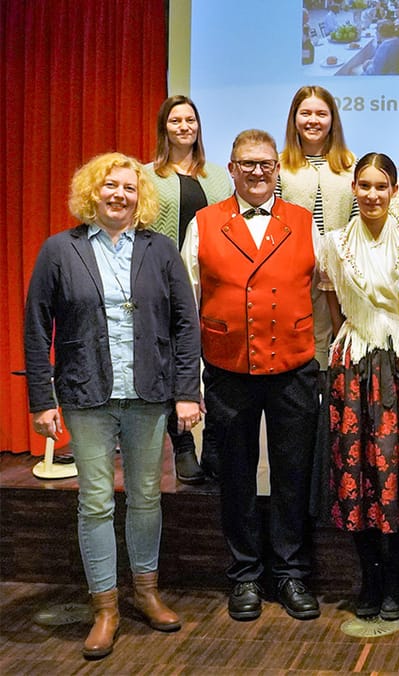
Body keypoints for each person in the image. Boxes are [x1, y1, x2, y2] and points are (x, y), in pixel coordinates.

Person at [24, 153, 201, 659]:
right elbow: (37, 329)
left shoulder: (161, 249)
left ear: (140, 196)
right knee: (96, 502)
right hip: (86, 394)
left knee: (146, 497)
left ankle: (146, 592)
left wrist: (187, 391)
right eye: (110, 186)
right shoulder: (60, 249)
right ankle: (105, 606)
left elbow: (185, 325)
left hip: (149, 393)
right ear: (92, 192)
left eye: (128, 187)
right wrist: (42, 399)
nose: (119, 195)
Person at [183, 129, 322, 622]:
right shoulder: (203, 222)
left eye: (266, 164)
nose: (258, 172)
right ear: (233, 169)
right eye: (248, 164)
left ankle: (289, 573)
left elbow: (328, 289)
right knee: (236, 475)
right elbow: (188, 299)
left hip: (295, 367)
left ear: (277, 168)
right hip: (227, 368)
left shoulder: (306, 223)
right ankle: (243, 575)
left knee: (292, 474)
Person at [320, 153, 399, 620]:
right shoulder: (332, 243)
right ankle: (368, 579)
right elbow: (333, 310)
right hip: (352, 363)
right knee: (357, 476)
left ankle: (397, 580)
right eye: (364, 185)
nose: (372, 194)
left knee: (398, 474)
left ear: (393, 191)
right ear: (354, 188)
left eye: (381, 186)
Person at [143, 94, 233, 484]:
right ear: (165, 128)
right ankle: (182, 447)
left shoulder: (217, 175)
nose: (184, 127)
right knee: (175, 364)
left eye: (190, 120)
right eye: (175, 121)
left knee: (215, 362)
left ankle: (213, 445)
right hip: (165, 279)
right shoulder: (147, 174)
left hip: (213, 278)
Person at [279, 86, 357, 374]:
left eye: (321, 114)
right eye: (306, 113)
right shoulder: (279, 166)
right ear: (294, 119)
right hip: (293, 277)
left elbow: (358, 221)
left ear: (332, 120)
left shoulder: (351, 165)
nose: (314, 120)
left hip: (342, 279)